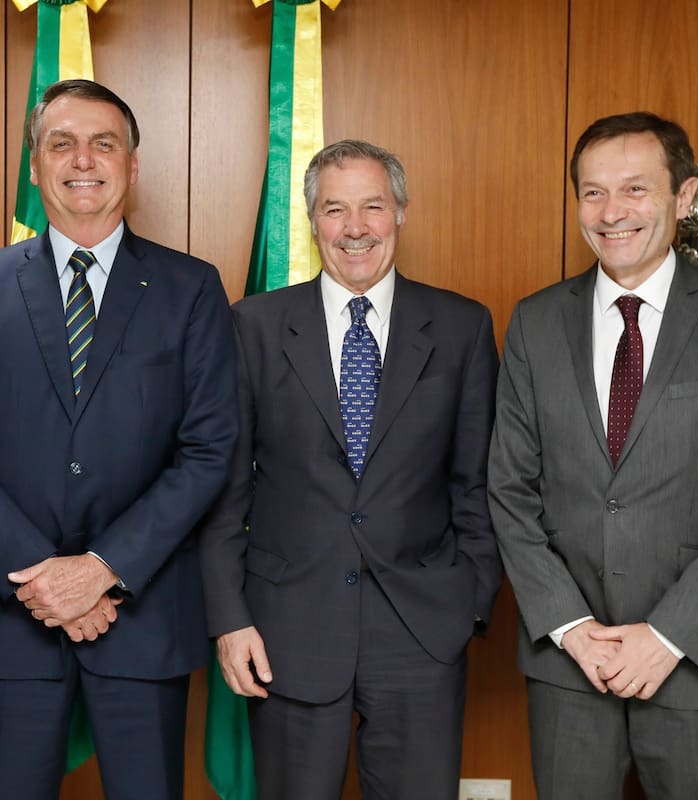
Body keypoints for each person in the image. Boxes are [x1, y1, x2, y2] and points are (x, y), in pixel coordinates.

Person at [0, 79, 238, 800]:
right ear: (34, 167)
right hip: (16, 624)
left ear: (131, 165)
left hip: (143, 617)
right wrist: (45, 578)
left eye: (104, 144)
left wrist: (102, 568)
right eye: (60, 143)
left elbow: (209, 448)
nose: (82, 160)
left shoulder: (191, 289)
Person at [488, 111, 698, 798]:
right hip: (569, 669)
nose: (611, 212)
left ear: (682, 198)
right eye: (592, 192)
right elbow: (509, 488)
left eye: (634, 190)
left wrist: (669, 635)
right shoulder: (534, 322)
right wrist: (571, 627)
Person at [199, 139, 503, 800]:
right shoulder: (252, 325)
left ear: (401, 213)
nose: (355, 227)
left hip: (423, 634)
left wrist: (469, 606)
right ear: (313, 223)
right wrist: (229, 618)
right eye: (336, 210)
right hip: (284, 631)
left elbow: (477, 485)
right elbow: (224, 490)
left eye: (373, 206)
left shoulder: (462, 328)